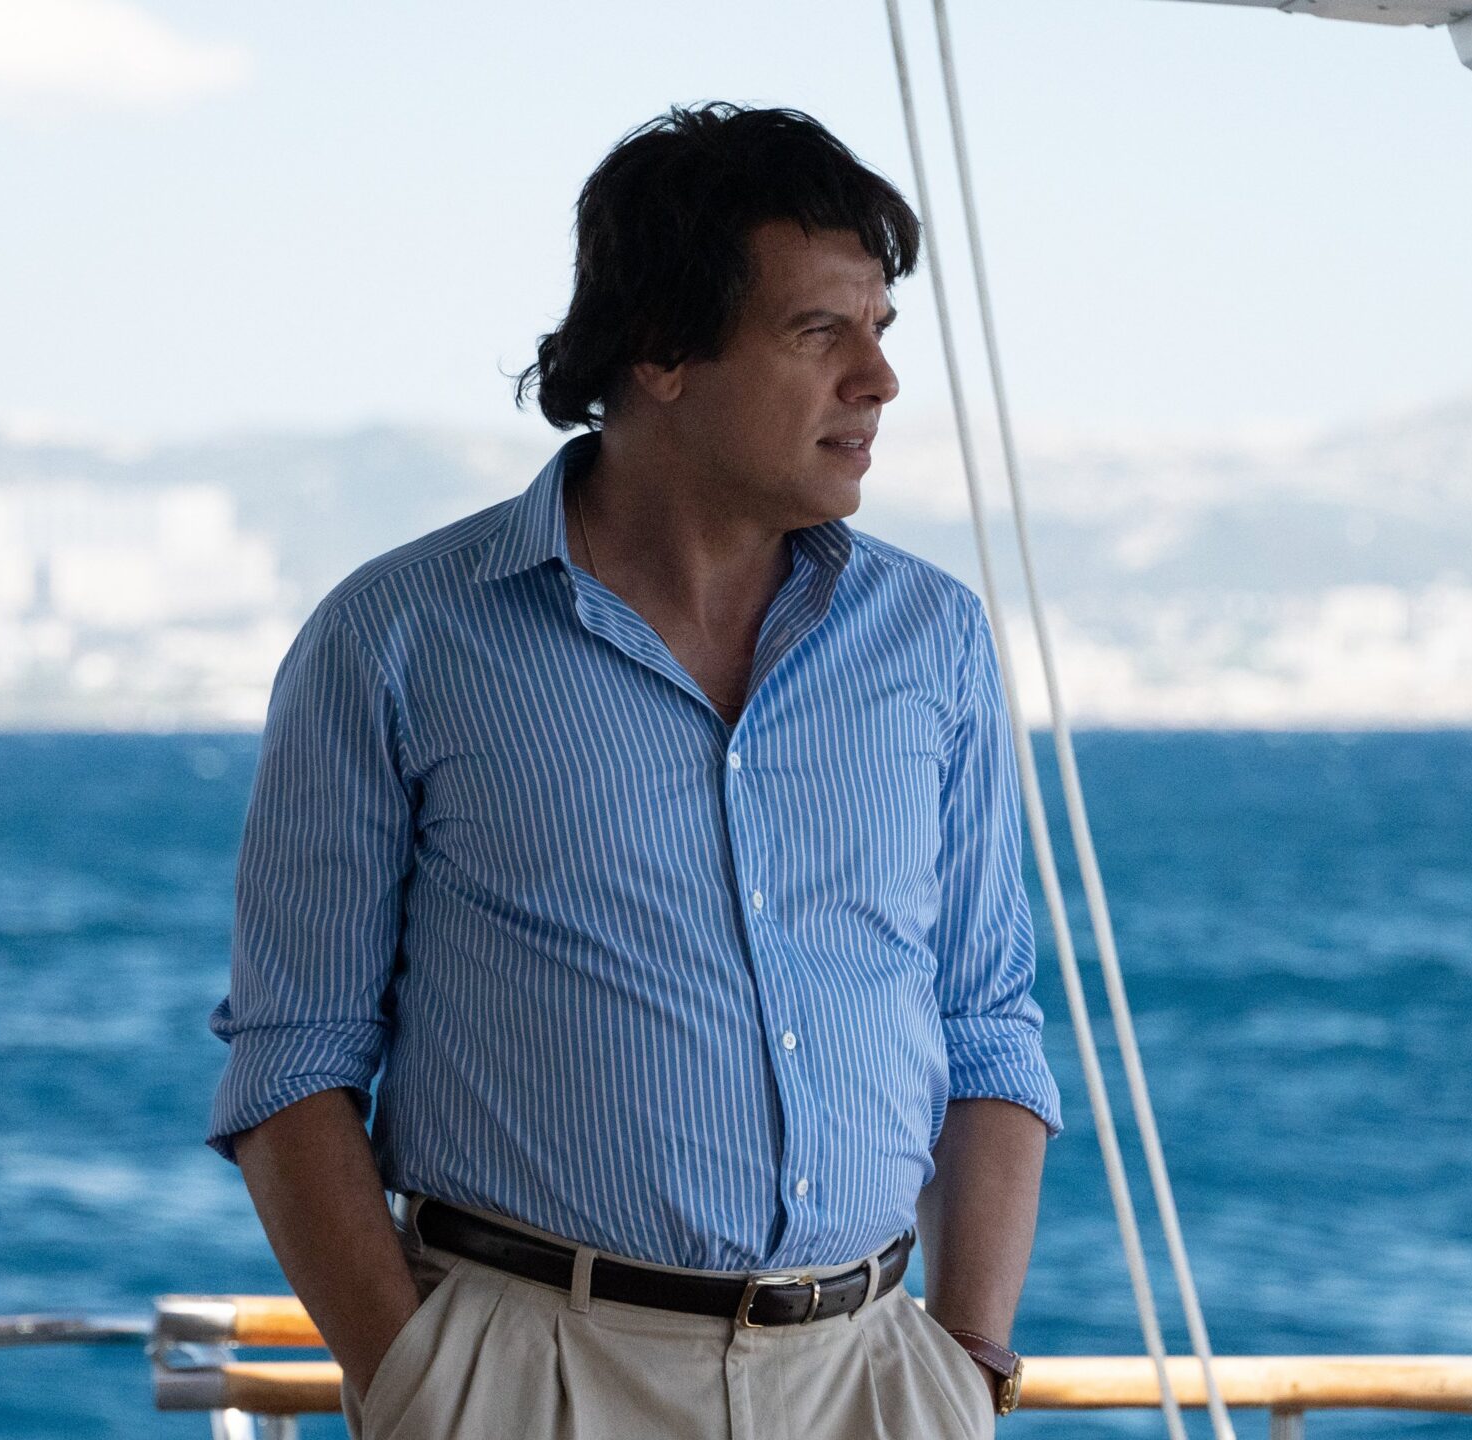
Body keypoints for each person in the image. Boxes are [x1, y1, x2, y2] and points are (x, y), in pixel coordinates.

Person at [206, 102, 1061, 1439]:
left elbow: (987, 1020)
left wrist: (967, 1366)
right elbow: (294, 1058)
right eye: (818, 332)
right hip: (533, 1384)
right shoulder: (398, 638)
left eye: (880, 329)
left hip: (876, 1381)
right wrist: (423, 1388)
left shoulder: (932, 640)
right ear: (661, 347)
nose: (879, 380)